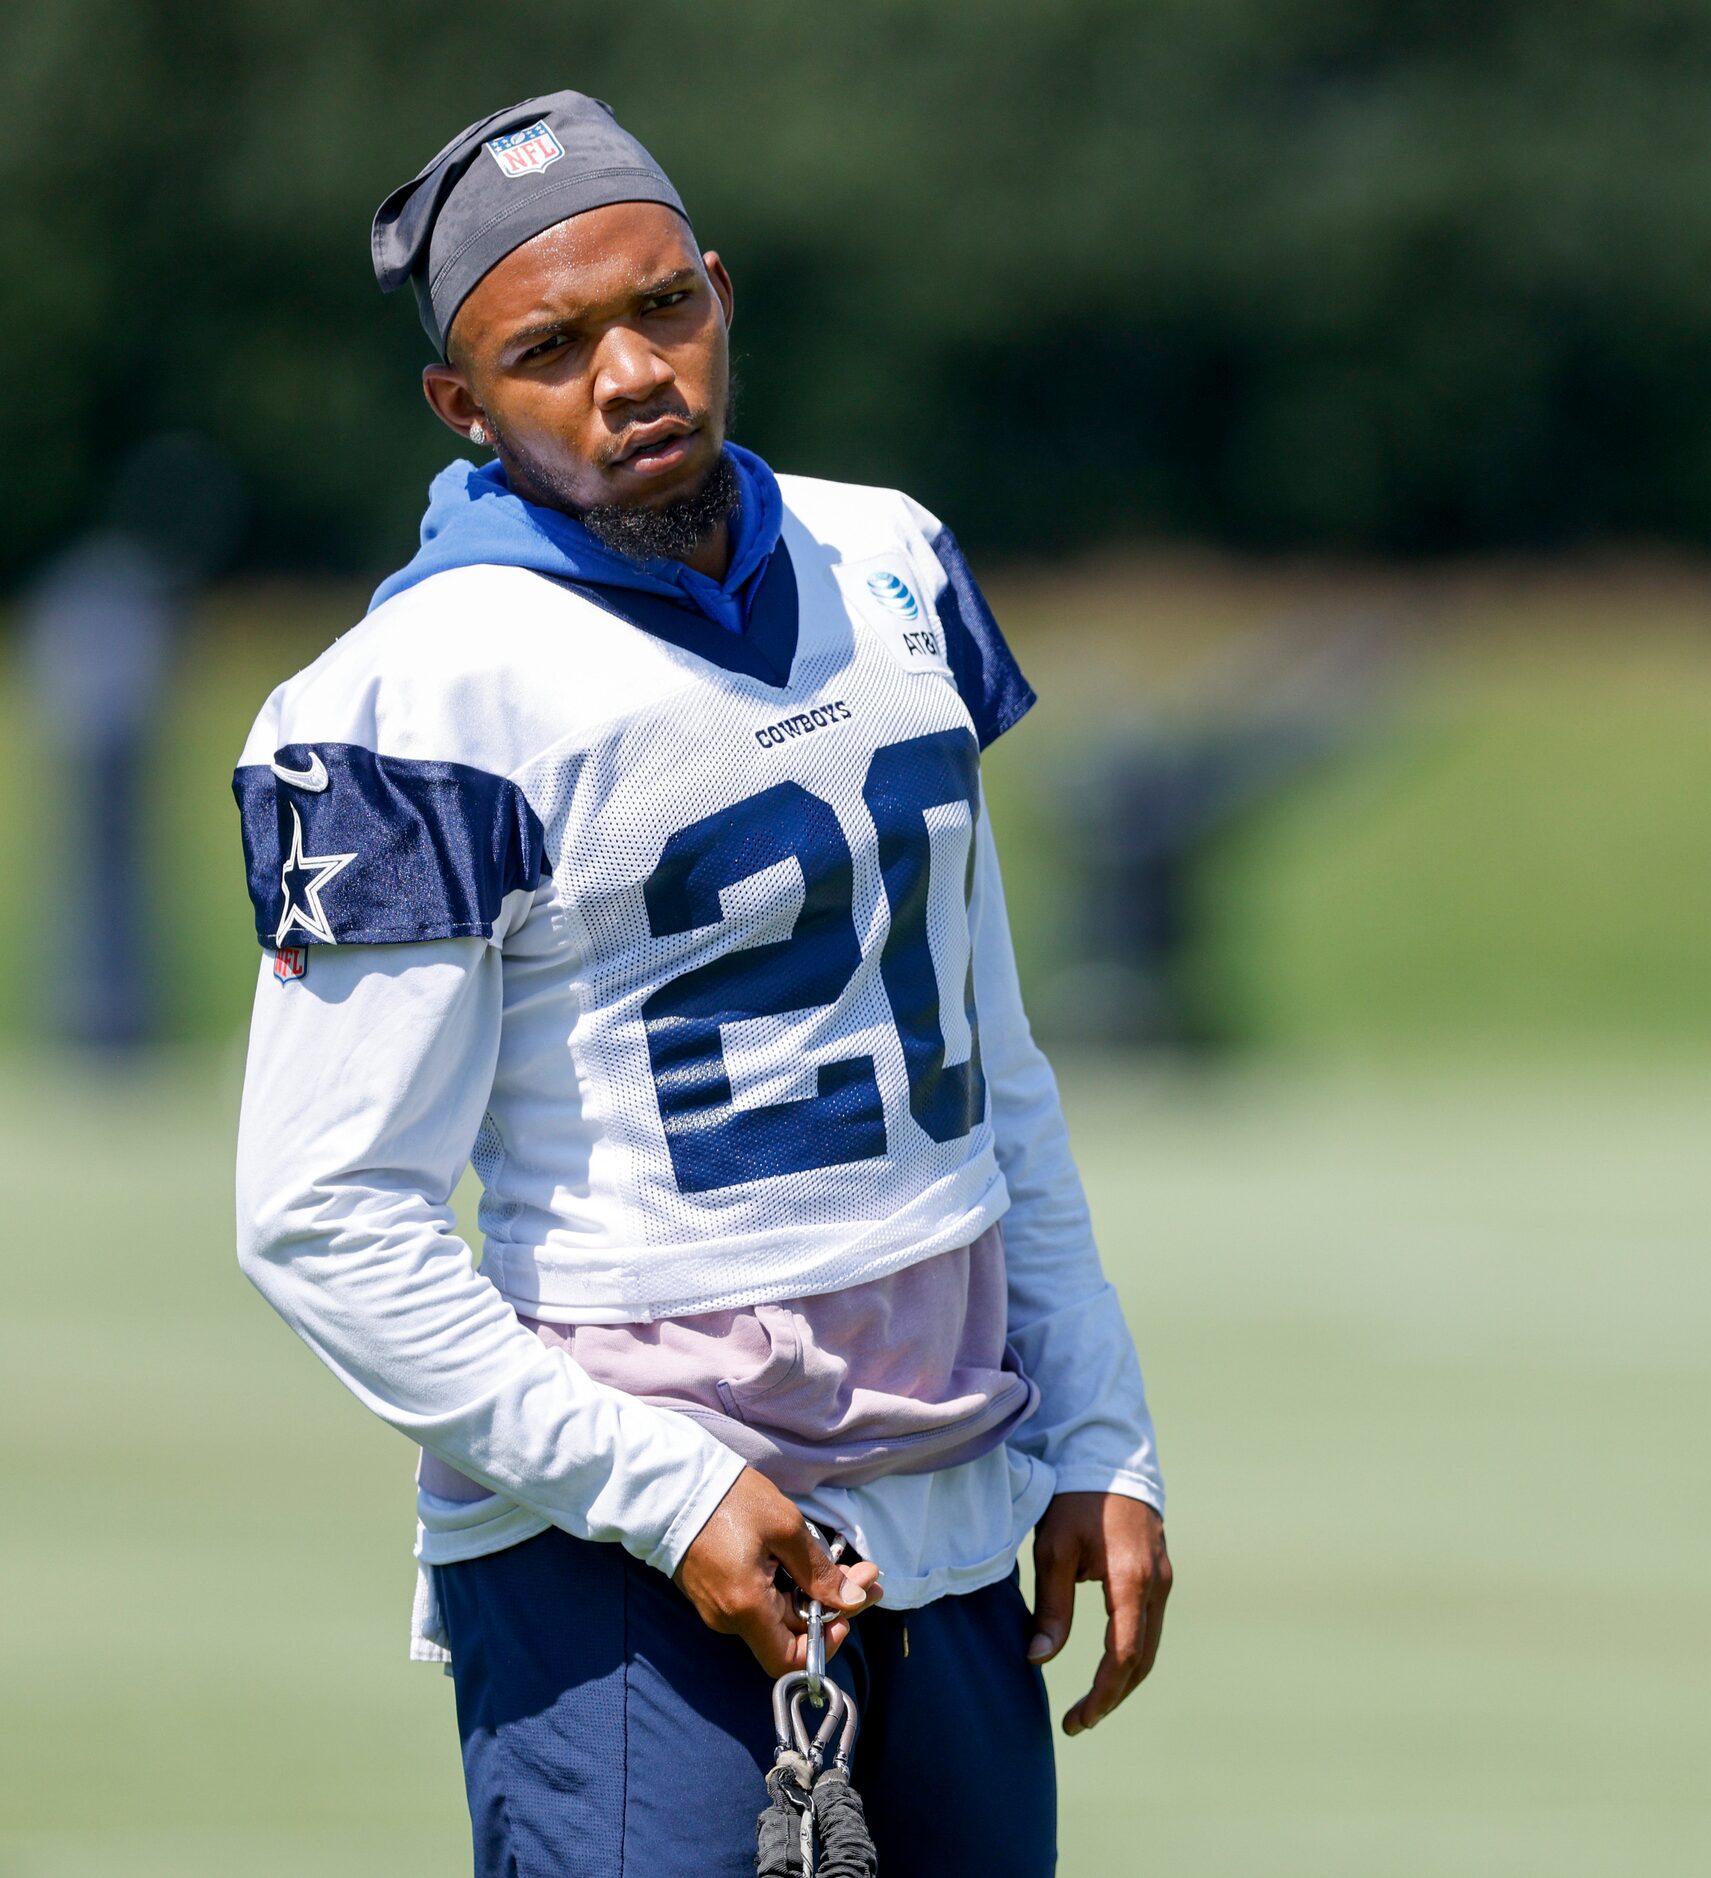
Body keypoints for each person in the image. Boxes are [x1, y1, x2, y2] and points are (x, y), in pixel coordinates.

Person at [230, 93, 1167, 1876]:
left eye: (663, 306)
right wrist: (661, 1494)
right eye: (551, 346)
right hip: (623, 1562)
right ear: (461, 404)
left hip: (952, 1505)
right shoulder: (405, 700)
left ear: (720, 292)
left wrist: (1102, 1427)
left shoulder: (891, 552)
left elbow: (984, 1068)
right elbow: (323, 1216)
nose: (632, 371)